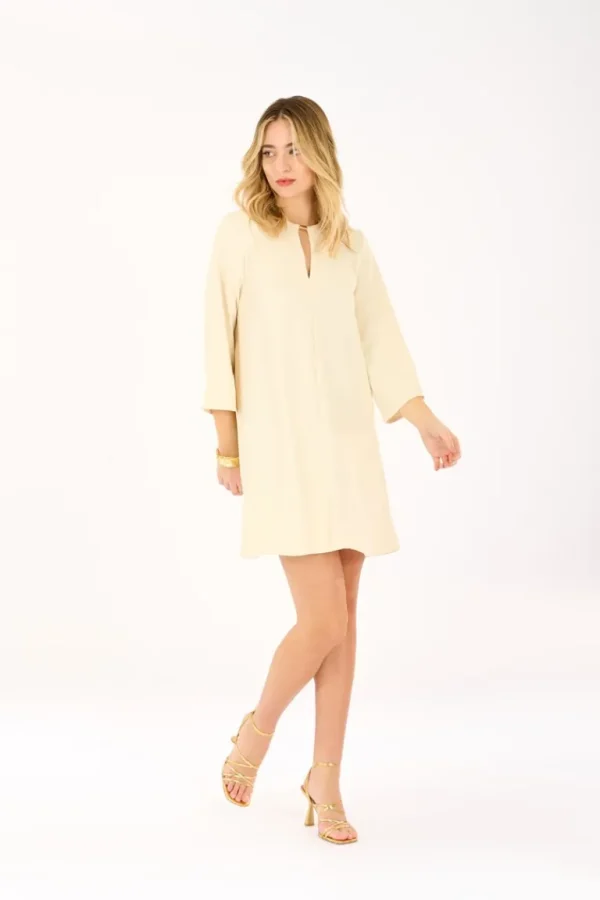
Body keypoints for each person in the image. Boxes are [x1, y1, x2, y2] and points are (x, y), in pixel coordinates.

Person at [202, 96, 461, 845]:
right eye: (269, 150)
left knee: (342, 623)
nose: (280, 165)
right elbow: (216, 341)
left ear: (319, 153)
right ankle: (257, 732)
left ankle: (326, 781)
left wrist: (424, 419)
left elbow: (381, 342)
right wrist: (227, 445)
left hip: (349, 447)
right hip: (281, 449)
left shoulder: (353, 248)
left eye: (293, 149)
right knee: (322, 620)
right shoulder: (239, 235)